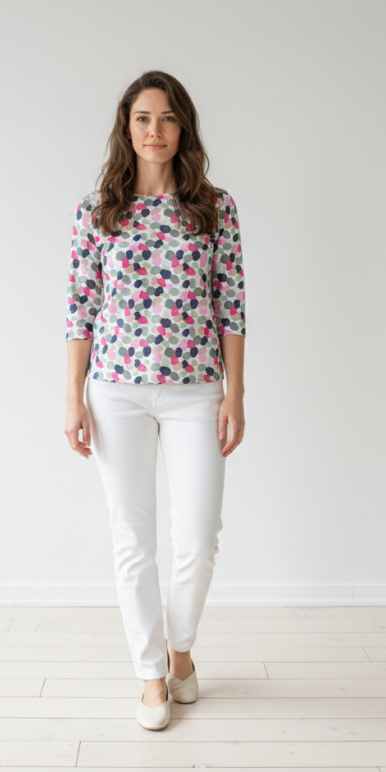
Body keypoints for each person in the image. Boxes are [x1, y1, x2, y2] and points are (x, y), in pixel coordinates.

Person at [64, 70, 246, 730]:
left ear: (183, 127)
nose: (155, 131)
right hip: (115, 392)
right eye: (143, 118)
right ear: (126, 127)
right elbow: (79, 308)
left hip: (196, 391)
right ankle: (150, 676)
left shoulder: (214, 208)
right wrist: (73, 397)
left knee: (198, 538)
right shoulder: (97, 211)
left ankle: (180, 651)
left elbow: (231, 305)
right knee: (132, 539)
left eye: (167, 118)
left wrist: (234, 394)